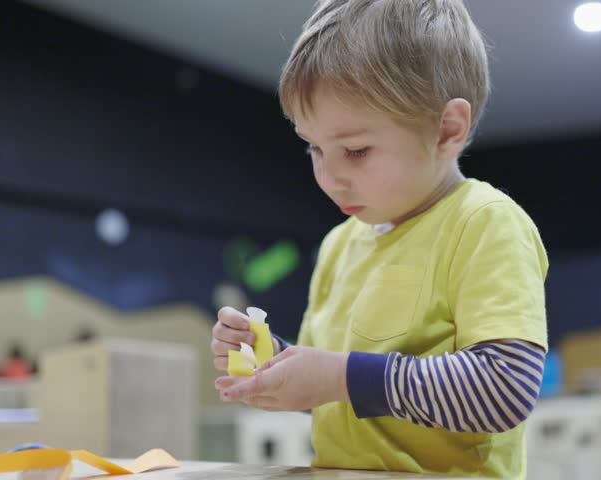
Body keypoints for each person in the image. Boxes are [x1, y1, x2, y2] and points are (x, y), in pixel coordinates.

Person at [211, 1, 548, 477]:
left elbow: (504, 387)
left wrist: (339, 375)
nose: (329, 177)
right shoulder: (338, 246)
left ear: (446, 130)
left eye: (355, 150)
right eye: (314, 149)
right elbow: (332, 398)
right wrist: (272, 360)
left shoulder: (484, 223)